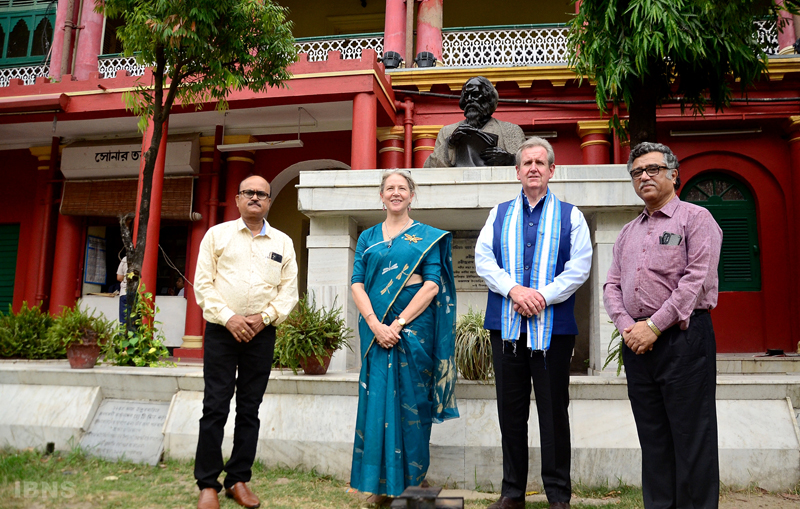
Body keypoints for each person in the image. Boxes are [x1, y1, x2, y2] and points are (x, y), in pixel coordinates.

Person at [603, 142, 722, 509]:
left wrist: (653, 326)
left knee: (692, 437)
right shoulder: (627, 231)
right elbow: (611, 284)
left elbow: (695, 280)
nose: (644, 177)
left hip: (684, 341)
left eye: (653, 169)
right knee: (653, 438)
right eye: (637, 172)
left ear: (673, 174)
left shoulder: (696, 219)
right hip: (637, 344)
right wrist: (627, 327)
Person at [475, 137, 592, 509]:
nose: (533, 168)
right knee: (510, 412)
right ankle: (512, 493)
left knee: (553, 412)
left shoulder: (571, 215)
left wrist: (542, 296)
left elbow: (580, 266)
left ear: (552, 170)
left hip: (553, 331)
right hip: (506, 329)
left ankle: (558, 495)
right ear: (517, 171)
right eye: (527, 163)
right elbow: (483, 258)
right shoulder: (499, 213)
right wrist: (514, 290)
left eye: (541, 163)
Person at [350, 169, 459, 505]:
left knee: (415, 403)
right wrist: (374, 324)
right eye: (389, 188)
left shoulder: (426, 236)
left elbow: (431, 284)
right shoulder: (368, 237)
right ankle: (379, 484)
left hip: (413, 329)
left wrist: (396, 325)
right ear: (381, 196)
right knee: (377, 401)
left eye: (402, 188)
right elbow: (357, 283)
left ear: (412, 195)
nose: (395, 193)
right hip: (375, 328)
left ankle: (414, 479)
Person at [193, 175, 299, 509]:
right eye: (248, 193)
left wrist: (262, 318)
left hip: (260, 334)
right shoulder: (217, 235)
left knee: (250, 408)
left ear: (268, 201)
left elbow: (289, 292)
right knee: (215, 405)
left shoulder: (282, 243)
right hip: (223, 332)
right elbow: (203, 285)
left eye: (262, 194)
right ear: (238, 199)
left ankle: (238, 479)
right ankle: (207, 484)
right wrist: (229, 317)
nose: (255, 198)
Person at [423, 76, 525, 168]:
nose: (470, 100)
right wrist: (450, 144)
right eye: (466, 96)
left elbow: (527, 163)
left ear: (488, 99)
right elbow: (429, 168)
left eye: (476, 94)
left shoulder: (511, 130)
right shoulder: (446, 132)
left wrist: (510, 159)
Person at [116, 255, 128, 325]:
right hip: (138, 293)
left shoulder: (125, 259)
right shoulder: (143, 258)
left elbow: (119, 277)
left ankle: (123, 336)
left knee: (123, 322)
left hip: (124, 292)